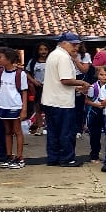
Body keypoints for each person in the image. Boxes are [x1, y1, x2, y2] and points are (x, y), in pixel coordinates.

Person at [41, 33, 91, 167]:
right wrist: (82, 83)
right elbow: (65, 80)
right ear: (63, 43)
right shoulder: (64, 57)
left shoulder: (53, 54)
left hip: (50, 99)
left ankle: (53, 158)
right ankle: (67, 158)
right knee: (66, 132)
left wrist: (76, 87)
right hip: (62, 102)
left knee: (53, 132)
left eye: (77, 45)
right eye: (73, 44)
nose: (76, 48)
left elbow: (58, 80)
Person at [0, 48, 29, 169]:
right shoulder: (0, 72)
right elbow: (4, 87)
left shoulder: (20, 73)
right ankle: (9, 156)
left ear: (9, 59)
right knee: (7, 131)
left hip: (15, 105)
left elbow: (24, 91)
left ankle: (20, 157)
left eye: (0, 57)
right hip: (3, 105)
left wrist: (24, 109)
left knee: (17, 131)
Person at [86, 66, 106, 163]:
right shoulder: (93, 87)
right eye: (101, 74)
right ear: (98, 75)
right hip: (96, 112)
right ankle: (94, 155)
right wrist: (96, 105)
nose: (104, 77)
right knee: (95, 135)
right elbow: (87, 101)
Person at [26, 42, 50, 135]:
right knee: (38, 108)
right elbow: (27, 72)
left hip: (50, 87)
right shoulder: (33, 61)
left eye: (45, 49)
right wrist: (33, 81)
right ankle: (40, 127)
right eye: (41, 49)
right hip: (38, 87)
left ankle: (50, 127)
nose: (43, 51)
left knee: (49, 108)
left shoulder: (51, 60)